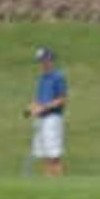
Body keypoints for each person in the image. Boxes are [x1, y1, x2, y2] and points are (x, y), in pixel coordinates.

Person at [28, 44, 69, 175]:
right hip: (41, 118)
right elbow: (40, 98)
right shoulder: (42, 78)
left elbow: (62, 99)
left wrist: (43, 107)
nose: (41, 64)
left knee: (54, 154)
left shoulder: (58, 77)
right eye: (40, 61)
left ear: (50, 60)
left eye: (43, 61)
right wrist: (32, 107)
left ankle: (57, 181)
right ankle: (47, 181)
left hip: (53, 118)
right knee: (44, 153)